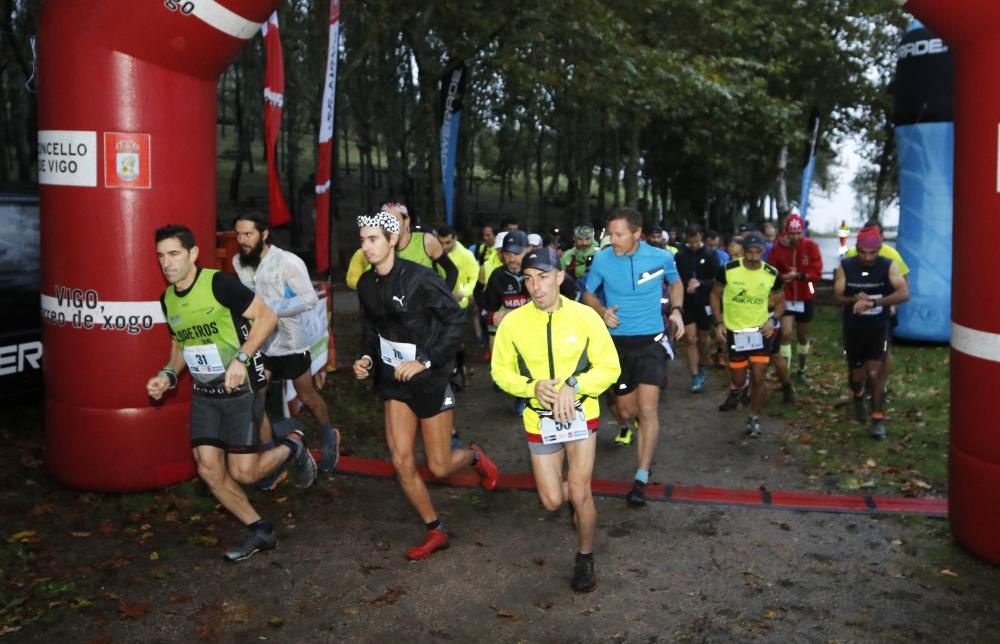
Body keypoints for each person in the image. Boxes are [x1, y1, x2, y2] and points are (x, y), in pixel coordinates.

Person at [147, 224, 317, 562]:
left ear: (193, 254)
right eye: (161, 256)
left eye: (174, 254)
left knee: (243, 473)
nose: (167, 263)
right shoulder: (167, 300)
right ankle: (261, 530)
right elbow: (181, 343)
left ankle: (293, 444)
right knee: (208, 468)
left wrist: (242, 357)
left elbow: (266, 317)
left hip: (242, 388)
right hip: (205, 392)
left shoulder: (218, 284)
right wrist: (167, 374)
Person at [353, 210, 499, 560]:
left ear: (392, 240)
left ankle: (474, 456)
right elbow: (372, 332)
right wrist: (367, 360)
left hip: (430, 377)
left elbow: (454, 319)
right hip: (394, 381)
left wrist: (426, 360)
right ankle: (435, 529)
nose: (366, 247)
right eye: (362, 240)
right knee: (401, 460)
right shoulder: (365, 285)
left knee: (439, 466)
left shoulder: (420, 278)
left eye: (373, 239)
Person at [491, 247, 621, 593]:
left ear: (560, 277)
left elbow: (610, 367)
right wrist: (531, 387)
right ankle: (574, 502)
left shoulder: (585, 317)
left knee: (579, 493)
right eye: (529, 279)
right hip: (539, 419)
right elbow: (499, 372)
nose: (536, 287)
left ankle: (585, 555)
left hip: (581, 416)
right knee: (552, 500)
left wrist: (575, 386)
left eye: (544, 277)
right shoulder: (513, 323)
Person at [582, 207, 685, 506]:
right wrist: (601, 311)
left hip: (651, 341)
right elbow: (588, 294)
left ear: (636, 233)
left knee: (648, 408)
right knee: (626, 411)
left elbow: (676, 282)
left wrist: (677, 311)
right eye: (610, 233)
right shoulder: (602, 259)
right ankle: (640, 435)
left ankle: (640, 476)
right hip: (617, 345)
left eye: (618, 234)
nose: (612, 240)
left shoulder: (660, 257)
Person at [232, 214, 340, 475]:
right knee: (255, 399)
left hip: (289, 342)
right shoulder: (239, 262)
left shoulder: (288, 262)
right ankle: (272, 459)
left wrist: (273, 309)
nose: (242, 240)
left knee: (306, 395)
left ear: (264, 233)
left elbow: (309, 300)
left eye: (249, 234)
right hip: (259, 343)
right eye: (239, 235)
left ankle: (329, 435)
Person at [832, 226, 910, 439]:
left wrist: (875, 302)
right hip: (854, 327)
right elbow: (836, 297)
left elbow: (904, 293)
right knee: (857, 375)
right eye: (863, 252)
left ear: (879, 249)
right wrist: (854, 300)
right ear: (857, 248)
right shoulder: (846, 266)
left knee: (875, 373)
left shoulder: (889, 265)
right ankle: (858, 396)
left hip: (878, 326)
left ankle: (877, 419)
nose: (867, 257)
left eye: (872, 253)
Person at [710, 231, 786, 438]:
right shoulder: (728, 269)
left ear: (763, 252)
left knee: (760, 377)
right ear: (743, 252)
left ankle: (754, 418)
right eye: (749, 252)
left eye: (757, 252)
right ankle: (740, 389)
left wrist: (773, 320)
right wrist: (719, 322)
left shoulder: (771, 273)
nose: (753, 256)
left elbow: (781, 302)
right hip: (736, 332)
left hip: (760, 332)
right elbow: (715, 296)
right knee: (738, 377)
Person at [766, 213, 822, 386]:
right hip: (787, 295)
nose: (795, 237)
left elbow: (817, 271)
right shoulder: (778, 248)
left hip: (806, 293)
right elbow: (770, 270)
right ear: (786, 232)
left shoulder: (811, 246)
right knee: (786, 333)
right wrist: (782, 278)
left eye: (798, 233)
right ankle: (786, 376)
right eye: (792, 234)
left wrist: (800, 275)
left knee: (803, 335)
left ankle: (802, 369)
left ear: (803, 232)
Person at [675, 224, 719, 393]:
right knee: (690, 339)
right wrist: (685, 285)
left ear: (701, 237)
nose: (693, 244)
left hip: (704, 301)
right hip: (687, 302)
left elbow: (716, 279)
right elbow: (676, 277)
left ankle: (702, 363)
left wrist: (701, 284)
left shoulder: (710, 254)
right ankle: (694, 376)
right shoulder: (680, 255)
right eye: (690, 242)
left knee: (703, 338)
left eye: (696, 241)